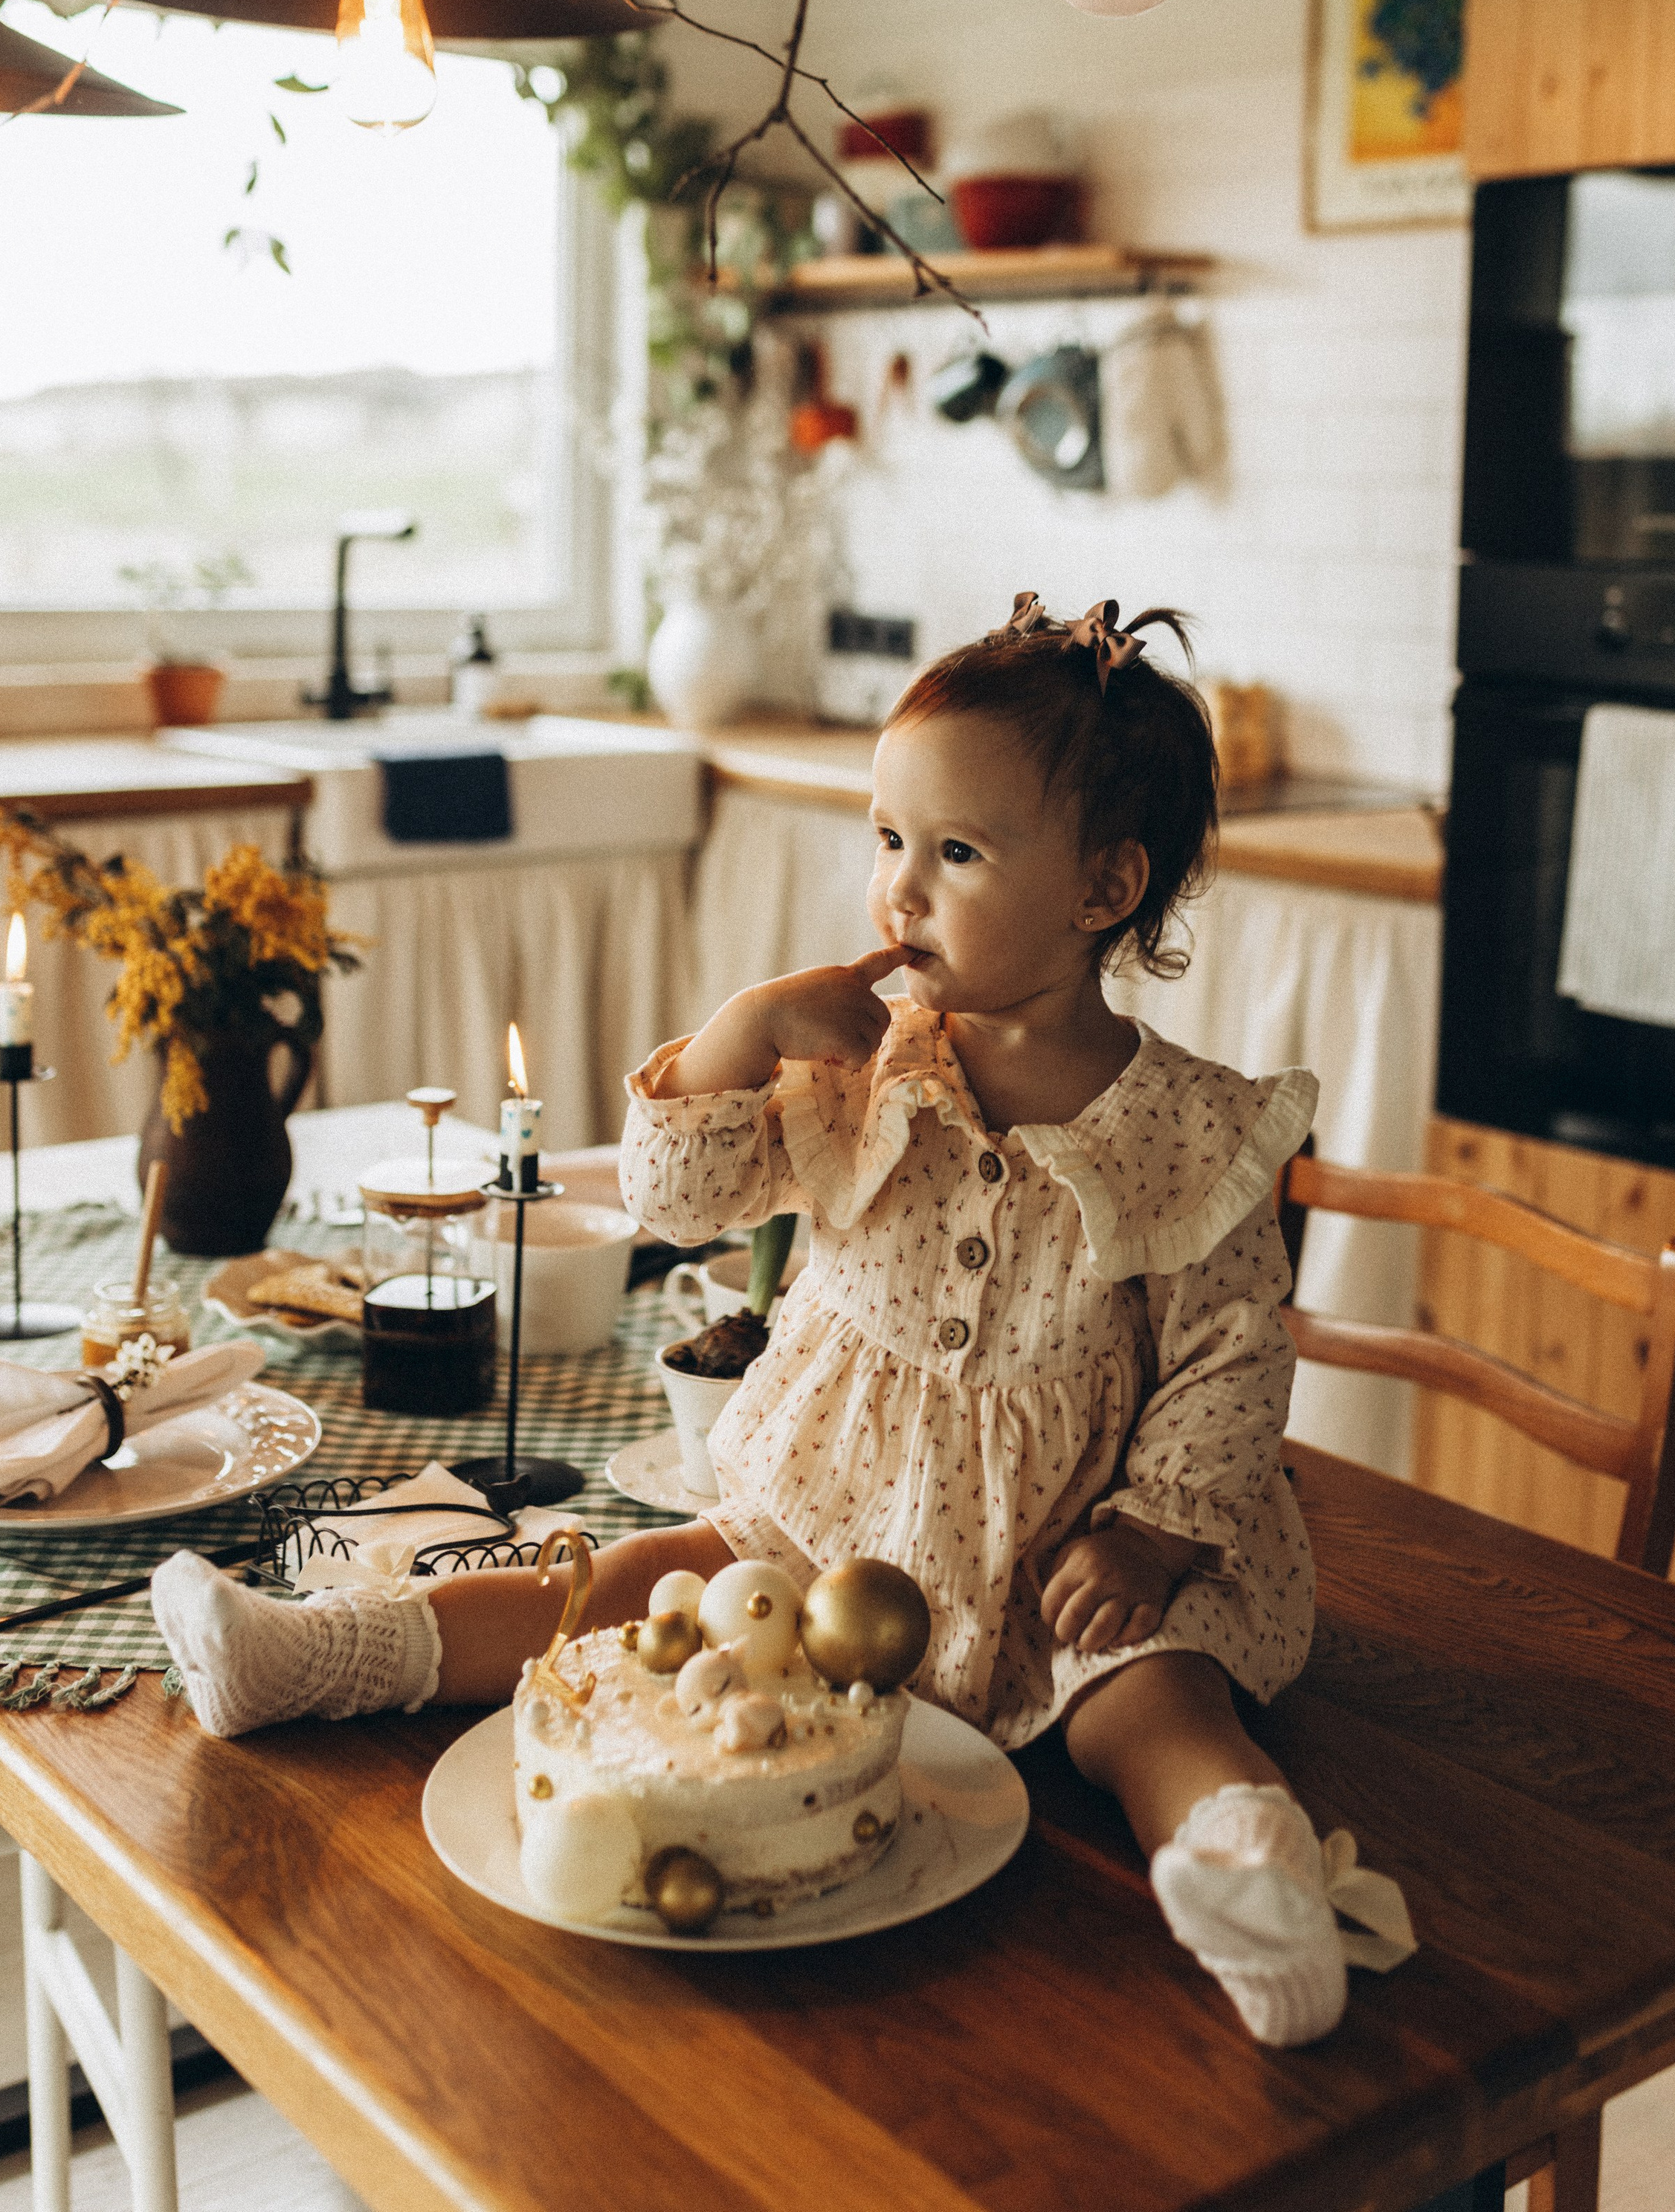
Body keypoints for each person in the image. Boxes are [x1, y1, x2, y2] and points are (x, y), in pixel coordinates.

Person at [153, 591, 1410, 2045]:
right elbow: (675, 1198)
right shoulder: (859, 1061)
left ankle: (1254, 1889)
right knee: (632, 1579)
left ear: (1102, 887)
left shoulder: (1189, 1131)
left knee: (1157, 1707)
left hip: (1073, 1556)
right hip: (832, 1512)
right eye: (886, 840)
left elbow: (1231, 1360)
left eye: (953, 853)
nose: (898, 892)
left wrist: (1154, 1536)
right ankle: (320, 1655)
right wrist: (741, 1033)